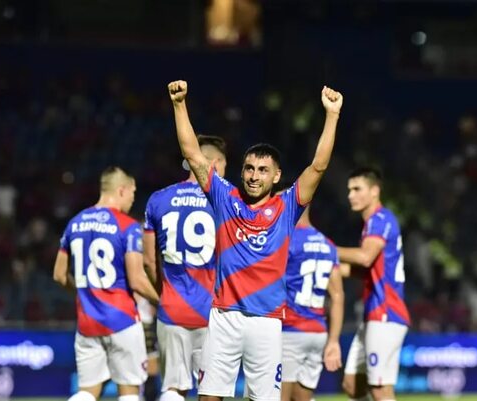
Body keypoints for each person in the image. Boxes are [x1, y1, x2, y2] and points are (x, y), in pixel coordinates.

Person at [167, 79, 343, 401]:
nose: (253, 175)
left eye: (263, 170)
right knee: (209, 397)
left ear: (276, 176)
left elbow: (319, 166)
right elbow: (192, 153)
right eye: (249, 168)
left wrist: (332, 115)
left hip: (267, 323)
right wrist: (179, 105)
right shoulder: (225, 198)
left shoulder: (287, 207)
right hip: (224, 316)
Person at [52, 166, 160, 401]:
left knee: (87, 393)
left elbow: (59, 275)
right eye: (132, 193)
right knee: (130, 392)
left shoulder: (75, 223)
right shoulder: (129, 226)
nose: (133, 199)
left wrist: (84, 290)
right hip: (122, 320)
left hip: (87, 323)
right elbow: (137, 280)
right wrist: (163, 300)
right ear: (121, 190)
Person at [142, 135, 228, 401]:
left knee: (173, 389)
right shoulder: (226, 199)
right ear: (212, 162)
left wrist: (164, 293)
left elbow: (148, 260)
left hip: (171, 309)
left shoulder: (158, 199)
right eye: (224, 164)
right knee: (212, 390)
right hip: (213, 310)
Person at [336, 167, 410, 401]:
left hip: (386, 312)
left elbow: (366, 256)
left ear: (375, 191)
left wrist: (324, 248)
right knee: (352, 384)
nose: (351, 195)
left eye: (357, 189)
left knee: (380, 389)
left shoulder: (380, 219)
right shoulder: (372, 224)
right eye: (349, 190)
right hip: (374, 314)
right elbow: (364, 269)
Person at [280, 205, 344, 401]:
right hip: (318, 333)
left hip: (290, 329)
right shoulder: (328, 245)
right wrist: (333, 341)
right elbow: (338, 295)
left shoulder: (286, 240)